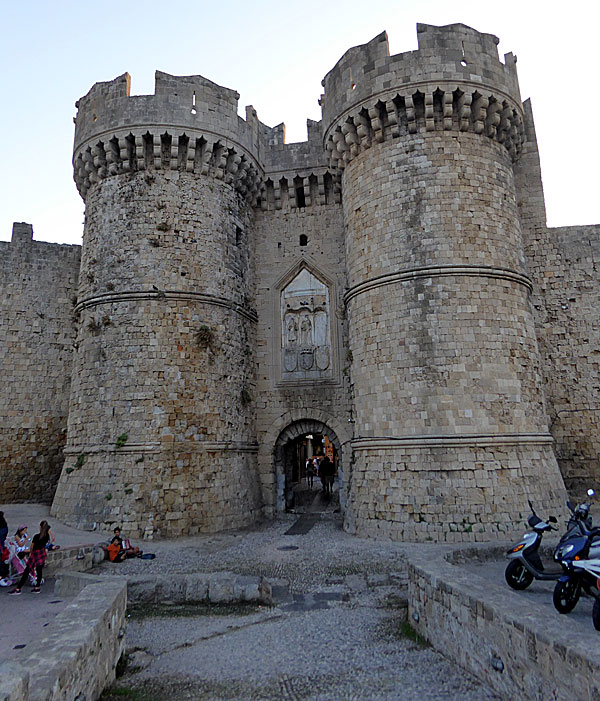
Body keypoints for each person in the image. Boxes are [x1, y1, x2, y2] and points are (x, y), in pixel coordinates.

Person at [9, 521, 50, 594]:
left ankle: (18, 588)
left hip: (35, 554)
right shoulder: (47, 536)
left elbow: (32, 547)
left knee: (27, 571)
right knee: (39, 570)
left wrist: (29, 553)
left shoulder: (36, 536)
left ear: (40, 527)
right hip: (41, 554)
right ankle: (37, 587)